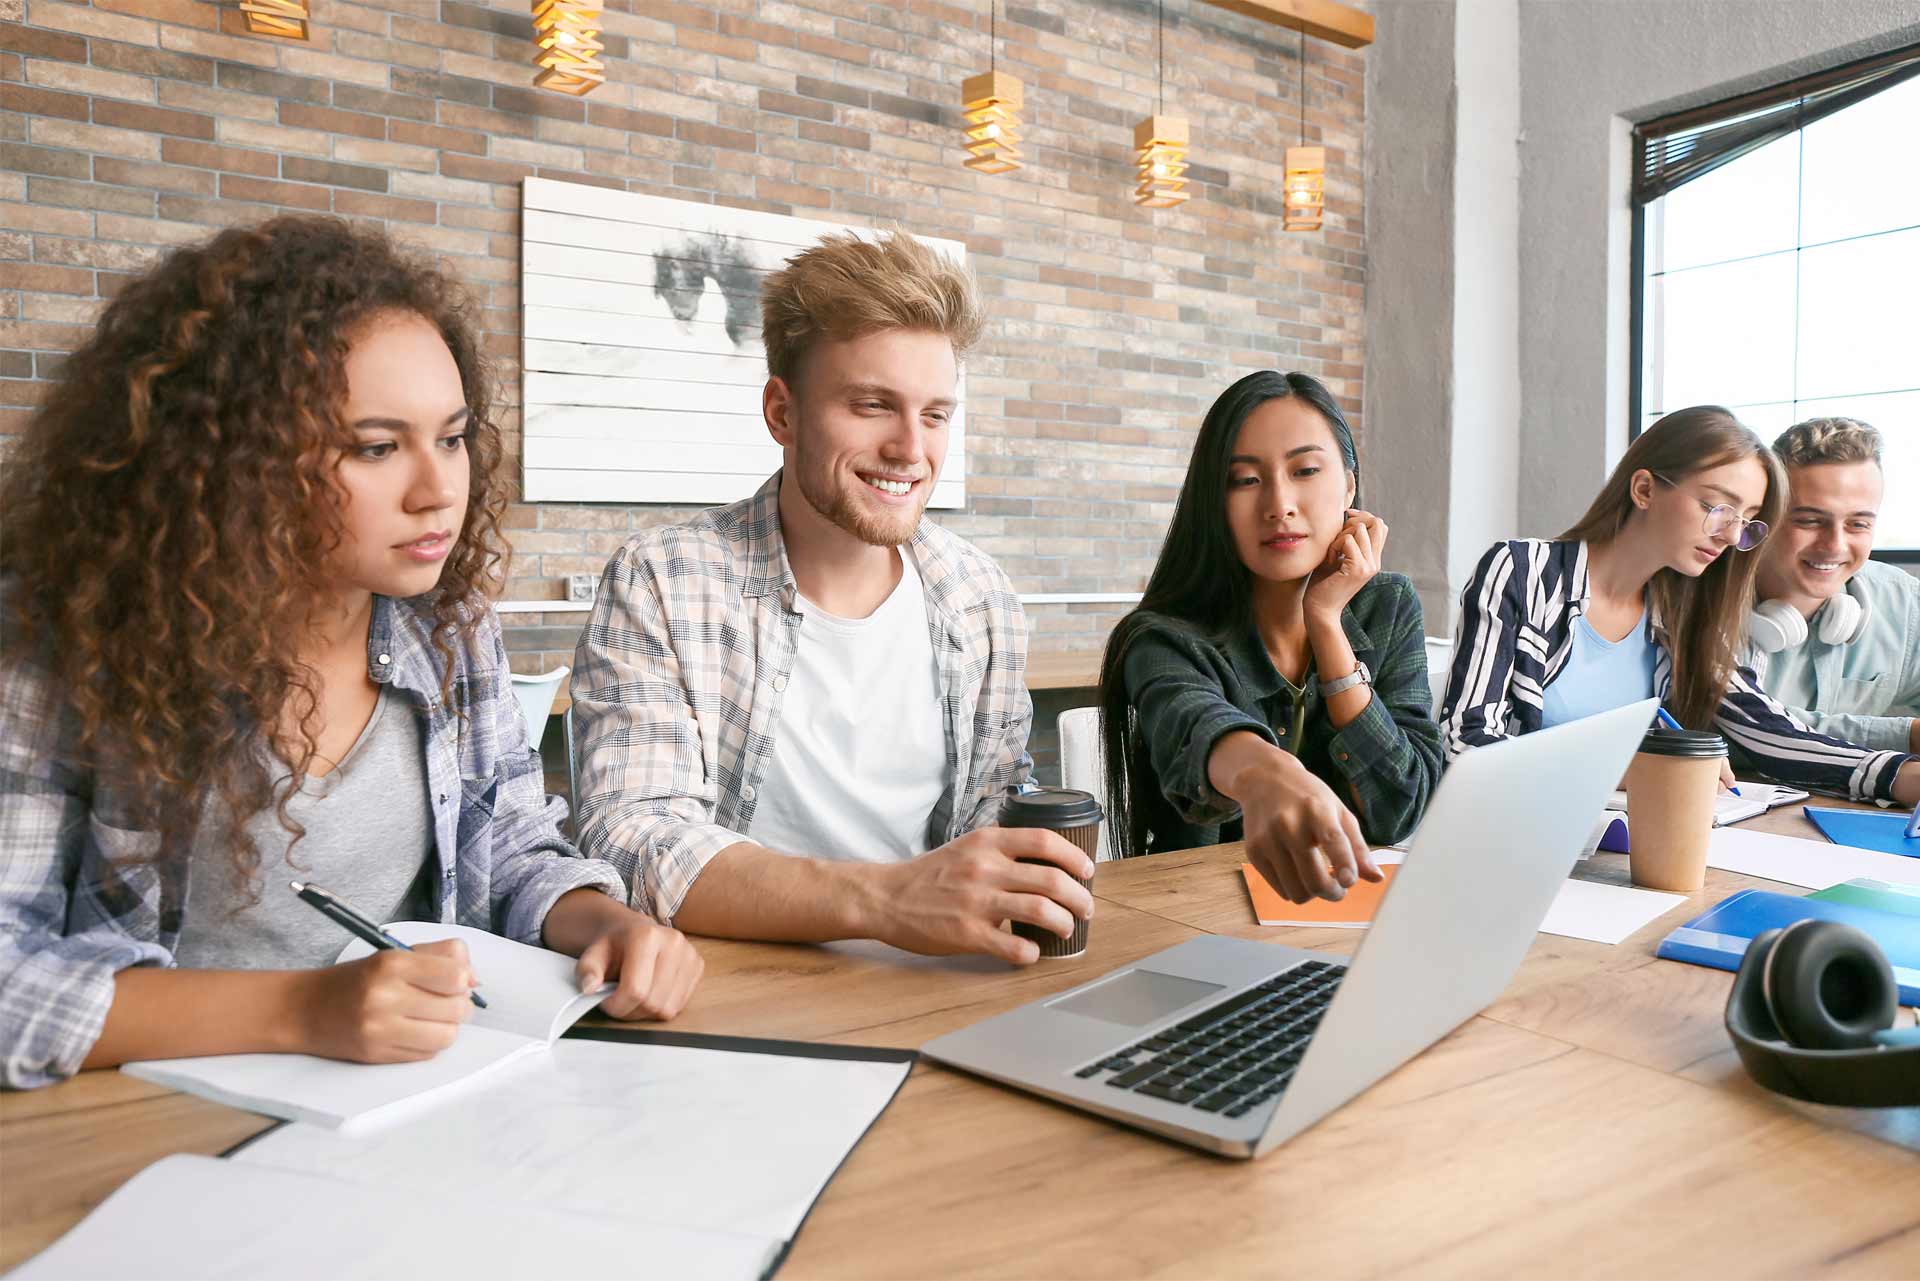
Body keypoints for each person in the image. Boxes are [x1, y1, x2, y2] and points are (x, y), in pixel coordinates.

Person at [0, 217, 703, 1091]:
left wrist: (602, 920)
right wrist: (304, 1010)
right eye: (376, 447)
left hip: (414, 1103)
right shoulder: (68, 642)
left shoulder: (447, 624)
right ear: (232, 462)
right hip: (145, 1126)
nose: (439, 489)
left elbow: (512, 846)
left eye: (451, 438)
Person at [572, 230, 1092, 965]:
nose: (912, 448)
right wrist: (886, 900)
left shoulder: (981, 599)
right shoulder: (661, 581)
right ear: (782, 413)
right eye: (873, 404)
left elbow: (989, 815)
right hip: (734, 1003)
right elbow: (636, 839)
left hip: (943, 988)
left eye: (936, 414)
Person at [1441, 405, 1920, 806]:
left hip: (1622, 842)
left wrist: (1898, 776)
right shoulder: (1523, 570)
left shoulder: (1684, 611)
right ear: (1645, 488)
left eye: (1748, 521)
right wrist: (1623, 768)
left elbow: (1768, 731)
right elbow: (1466, 742)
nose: (1733, 535)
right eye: (1719, 508)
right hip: (1511, 836)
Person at [1097, 372, 1442, 905]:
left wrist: (1326, 622)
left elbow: (1401, 807)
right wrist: (1265, 775)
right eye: (1244, 480)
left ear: (1349, 483)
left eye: (1305, 470)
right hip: (1202, 924)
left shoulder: (1386, 606)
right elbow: (1197, 724)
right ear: (1215, 502)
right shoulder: (1161, 639)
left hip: (1357, 921)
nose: (1279, 503)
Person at [1746, 417, 1920, 754]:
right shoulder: (1710, 600)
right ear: (1765, 515)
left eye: (1857, 524)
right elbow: (1742, 729)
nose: (1834, 545)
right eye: (1810, 521)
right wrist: (1906, 735)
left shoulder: (1904, 602)